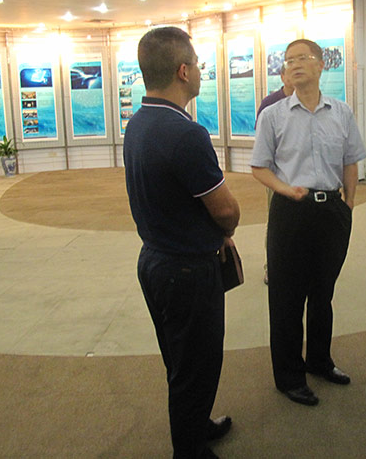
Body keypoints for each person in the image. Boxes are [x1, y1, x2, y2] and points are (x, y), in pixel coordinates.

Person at [123, 26, 240, 459]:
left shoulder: (138, 123)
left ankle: (196, 425)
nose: (201, 72)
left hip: (155, 261)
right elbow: (225, 210)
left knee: (180, 359)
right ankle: (190, 451)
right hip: (187, 270)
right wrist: (227, 226)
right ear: (183, 71)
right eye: (198, 65)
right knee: (197, 365)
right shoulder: (186, 133)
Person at [251, 39, 366, 406]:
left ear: (321, 65)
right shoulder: (273, 115)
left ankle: (319, 360)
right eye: (289, 61)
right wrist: (285, 189)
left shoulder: (341, 112)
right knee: (286, 297)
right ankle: (289, 377)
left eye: (303, 58)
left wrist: (348, 203)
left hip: (332, 211)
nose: (295, 65)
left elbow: (351, 160)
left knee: (322, 292)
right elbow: (259, 167)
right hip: (291, 211)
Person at [256, 65, 294, 284]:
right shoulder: (270, 104)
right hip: (276, 176)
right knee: (277, 222)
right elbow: (262, 143)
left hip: (304, 176)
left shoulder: (309, 102)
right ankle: (272, 267)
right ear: (282, 76)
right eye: (291, 71)